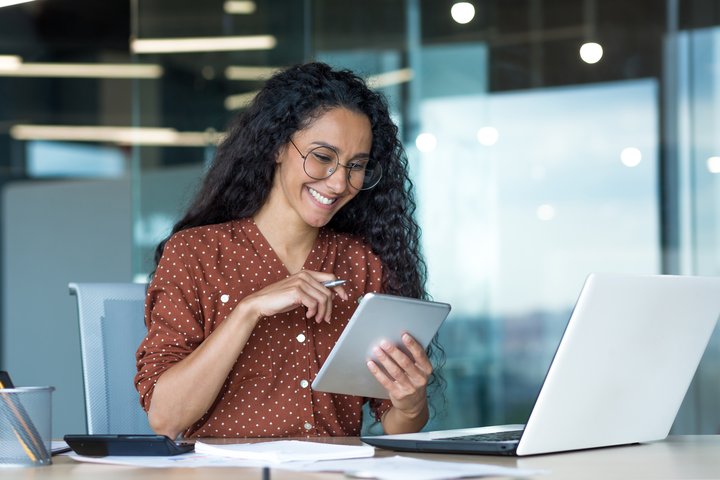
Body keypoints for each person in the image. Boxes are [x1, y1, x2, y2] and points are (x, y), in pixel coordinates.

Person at [135, 62, 440, 439]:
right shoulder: (195, 253)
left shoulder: (363, 264)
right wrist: (248, 310)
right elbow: (166, 419)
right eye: (323, 157)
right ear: (277, 146)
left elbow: (396, 421)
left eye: (356, 165)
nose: (340, 182)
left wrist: (410, 402)